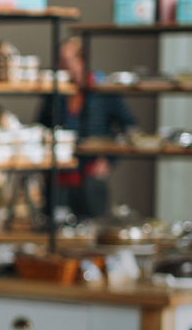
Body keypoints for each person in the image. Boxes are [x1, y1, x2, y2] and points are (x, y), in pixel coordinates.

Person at [37, 36, 138, 221]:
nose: (61, 68)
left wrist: (109, 160)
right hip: (58, 180)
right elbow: (41, 126)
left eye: (66, 62)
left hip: (89, 179)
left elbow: (129, 126)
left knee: (89, 235)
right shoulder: (54, 92)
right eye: (59, 62)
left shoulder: (103, 89)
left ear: (81, 61)